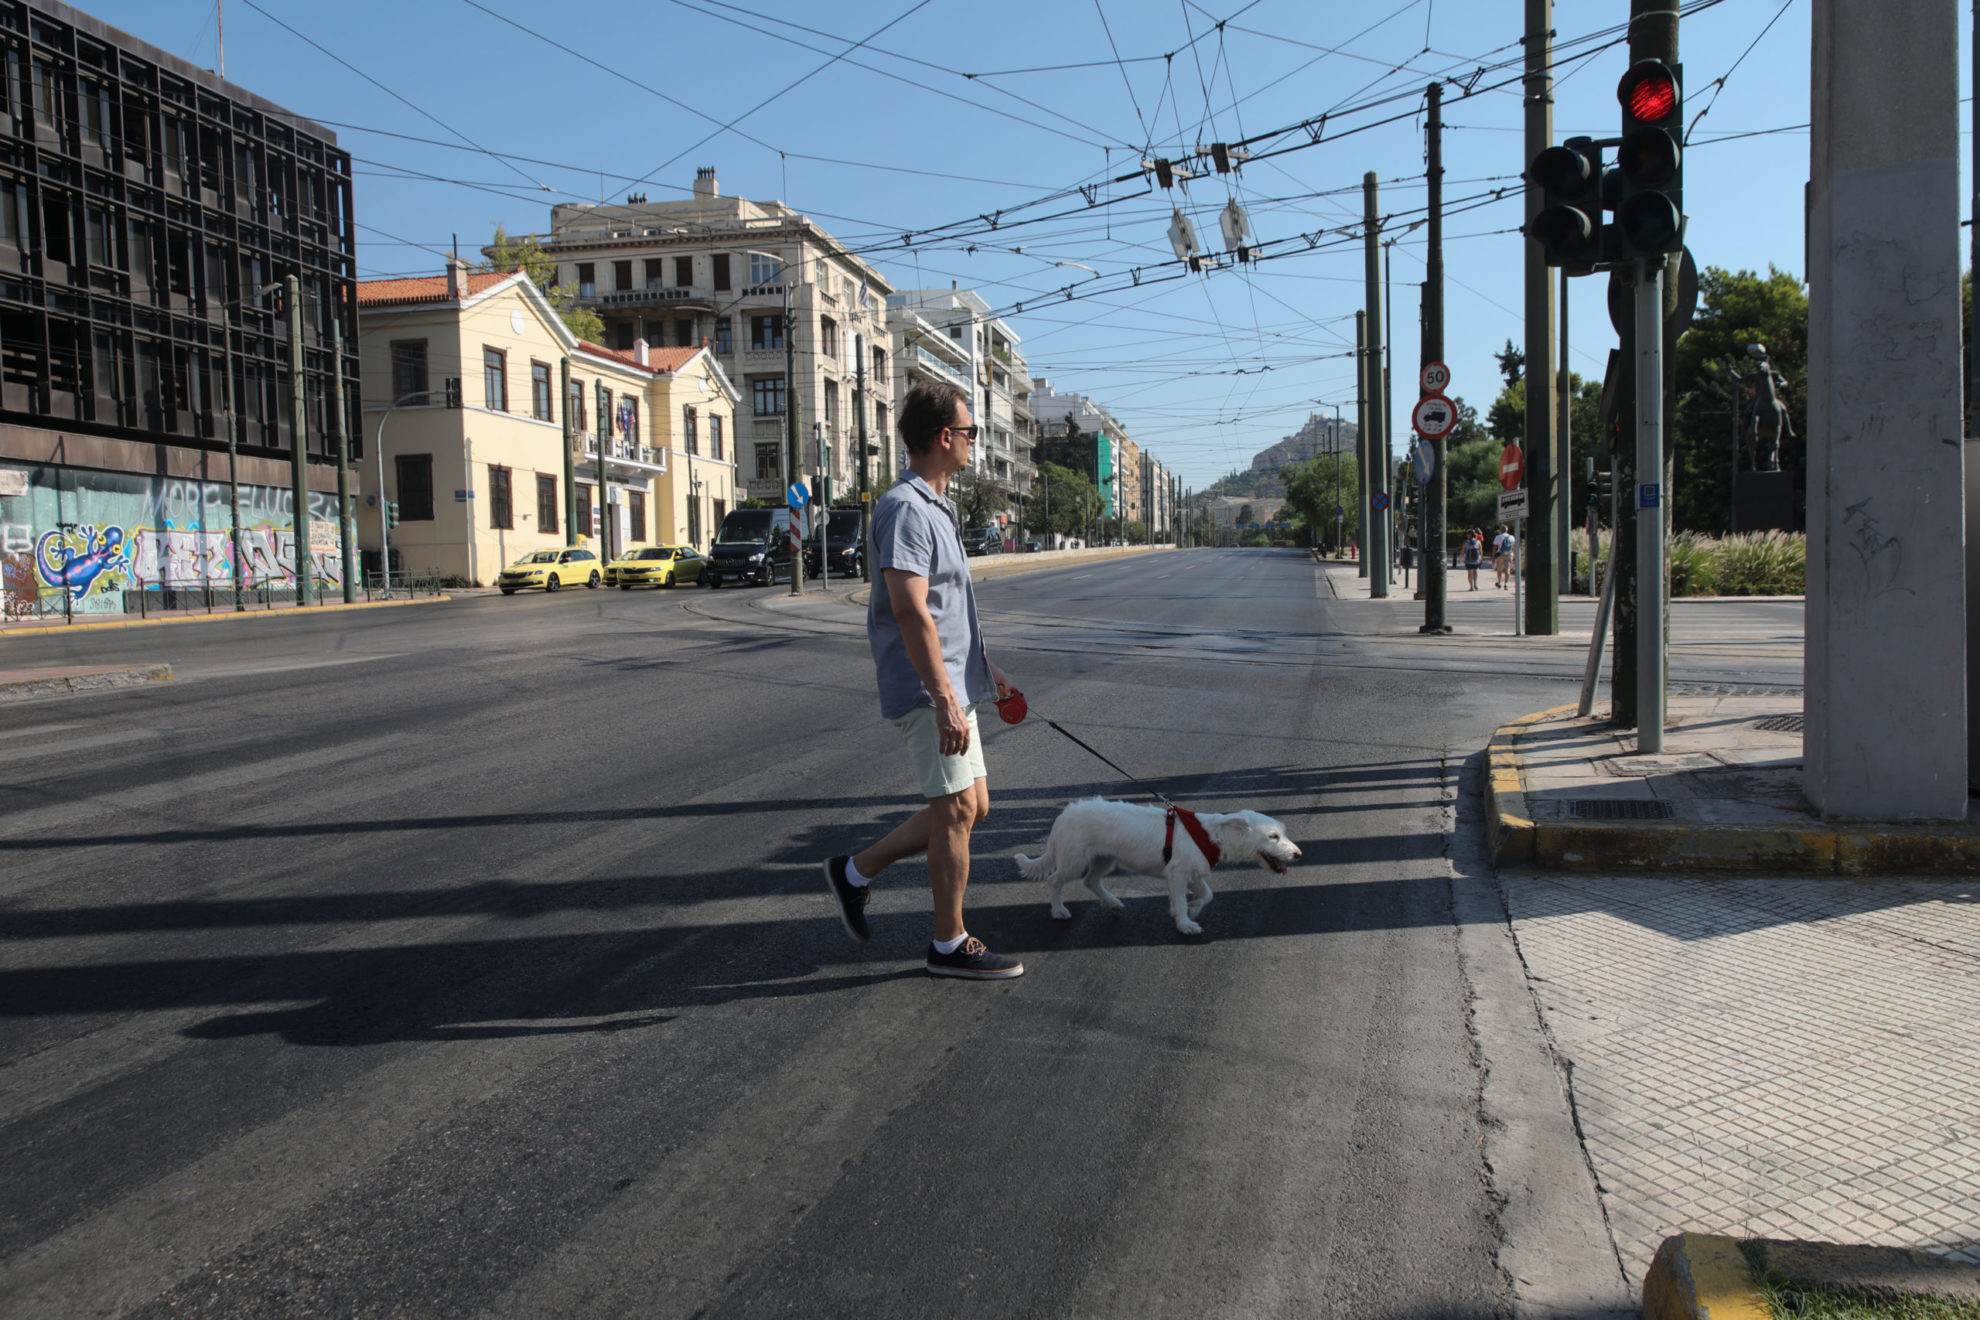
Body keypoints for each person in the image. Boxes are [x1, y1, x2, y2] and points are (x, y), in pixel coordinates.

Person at [823, 382, 1022, 980]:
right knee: (957, 809)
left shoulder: (939, 505)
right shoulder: (906, 508)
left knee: (972, 806)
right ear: (944, 437)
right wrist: (942, 699)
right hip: (924, 689)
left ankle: (853, 873)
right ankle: (948, 942)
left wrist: (986, 671)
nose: (972, 443)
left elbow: (947, 607)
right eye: (969, 432)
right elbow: (910, 611)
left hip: (955, 685)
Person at [1492, 523, 1515, 589]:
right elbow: (1514, 547)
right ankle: (1506, 584)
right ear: (1507, 530)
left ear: (1500, 530)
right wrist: (1514, 556)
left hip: (1501, 554)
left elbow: (1494, 548)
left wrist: (1493, 558)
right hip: (1510, 554)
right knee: (1507, 569)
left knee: (1499, 570)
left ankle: (1499, 583)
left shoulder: (1498, 537)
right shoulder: (1512, 537)